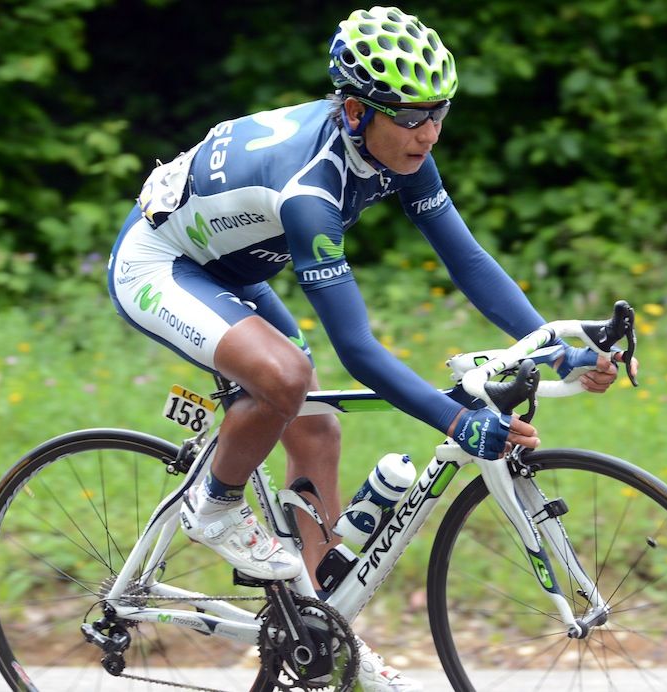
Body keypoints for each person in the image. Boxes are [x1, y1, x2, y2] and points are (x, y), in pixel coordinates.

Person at [108, 6, 636, 690]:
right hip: (161, 264)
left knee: (316, 426)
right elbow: (357, 348)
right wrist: (457, 420)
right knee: (287, 377)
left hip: (231, 268)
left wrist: (554, 348)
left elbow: (467, 260)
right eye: (412, 116)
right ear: (357, 112)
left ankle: (318, 633)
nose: (429, 132)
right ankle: (213, 506)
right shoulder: (311, 191)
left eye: (439, 112)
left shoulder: (401, 150)